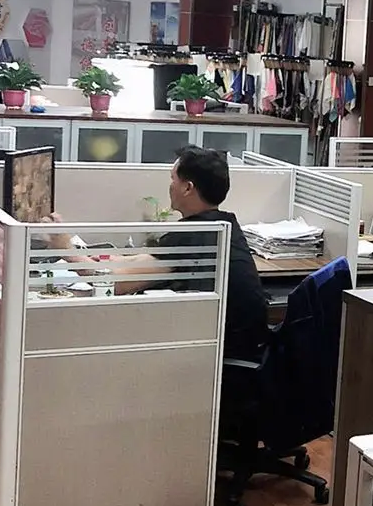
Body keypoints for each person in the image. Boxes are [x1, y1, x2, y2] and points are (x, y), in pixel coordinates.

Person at [45, 146, 268, 360]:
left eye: (173, 179)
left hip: (218, 359)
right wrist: (115, 260)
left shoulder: (195, 234)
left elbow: (116, 285)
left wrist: (66, 250)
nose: (170, 186)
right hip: (227, 345)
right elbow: (155, 260)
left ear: (187, 188)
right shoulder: (220, 224)